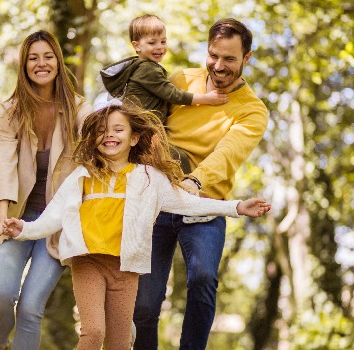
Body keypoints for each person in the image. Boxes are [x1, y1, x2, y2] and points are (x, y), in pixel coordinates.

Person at [0, 104, 270, 350]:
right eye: (103, 130)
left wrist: (235, 207)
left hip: (126, 268)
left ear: (134, 139)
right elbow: (53, 216)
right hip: (88, 262)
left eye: (118, 129)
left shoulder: (148, 177)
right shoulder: (84, 176)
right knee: (93, 333)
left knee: (120, 342)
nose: (109, 135)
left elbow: (187, 203)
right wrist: (24, 229)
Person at [132, 18, 270, 350]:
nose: (219, 66)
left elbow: (228, 152)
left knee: (204, 278)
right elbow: (149, 123)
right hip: (159, 200)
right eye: (213, 56)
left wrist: (195, 180)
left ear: (246, 58)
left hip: (206, 203)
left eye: (230, 59)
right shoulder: (180, 80)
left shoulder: (252, 110)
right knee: (146, 302)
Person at [0, 30, 92, 350]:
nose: (41, 63)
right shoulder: (10, 112)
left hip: (55, 224)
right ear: (24, 66)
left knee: (31, 308)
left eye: (48, 56)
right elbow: (5, 167)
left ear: (59, 63)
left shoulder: (78, 109)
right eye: (33, 58)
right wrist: (1, 221)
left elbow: (100, 145)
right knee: (1, 294)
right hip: (16, 217)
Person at [99, 14, 228, 126]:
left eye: (163, 41)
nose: (159, 47)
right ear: (136, 46)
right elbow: (173, 94)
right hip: (139, 127)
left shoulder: (142, 66)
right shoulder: (148, 69)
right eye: (152, 43)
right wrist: (206, 99)